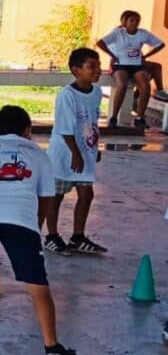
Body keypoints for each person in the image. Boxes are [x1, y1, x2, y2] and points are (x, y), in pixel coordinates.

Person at [0, 105, 77, 355]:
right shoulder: (38, 153)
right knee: (38, 284)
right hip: (21, 218)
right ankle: (52, 346)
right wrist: (37, 224)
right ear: (27, 130)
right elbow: (46, 196)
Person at [43, 47, 107, 256]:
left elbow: (92, 122)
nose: (97, 70)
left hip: (84, 152)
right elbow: (65, 128)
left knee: (86, 194)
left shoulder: (97, 93)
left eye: (98, 66)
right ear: (76, 70)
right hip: (65, 154)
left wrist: (92, 148)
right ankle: (51, 236)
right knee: (57, 195)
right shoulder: (67, 95)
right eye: (92, 67)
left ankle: (78, 236)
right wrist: (76, 154)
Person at [95, 10, 165, 128]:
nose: (135, 23)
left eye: (137, 20)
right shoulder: (118, 32)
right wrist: (113, 56)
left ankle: (140, 117)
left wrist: (146, 56)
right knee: (122, 85)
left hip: (137, 64)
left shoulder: (143, 33)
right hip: (120, 64)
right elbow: (100, 43)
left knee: (145, 85)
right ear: (125, 22)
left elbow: (160, 44)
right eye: (132, 20)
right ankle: (114, 117)